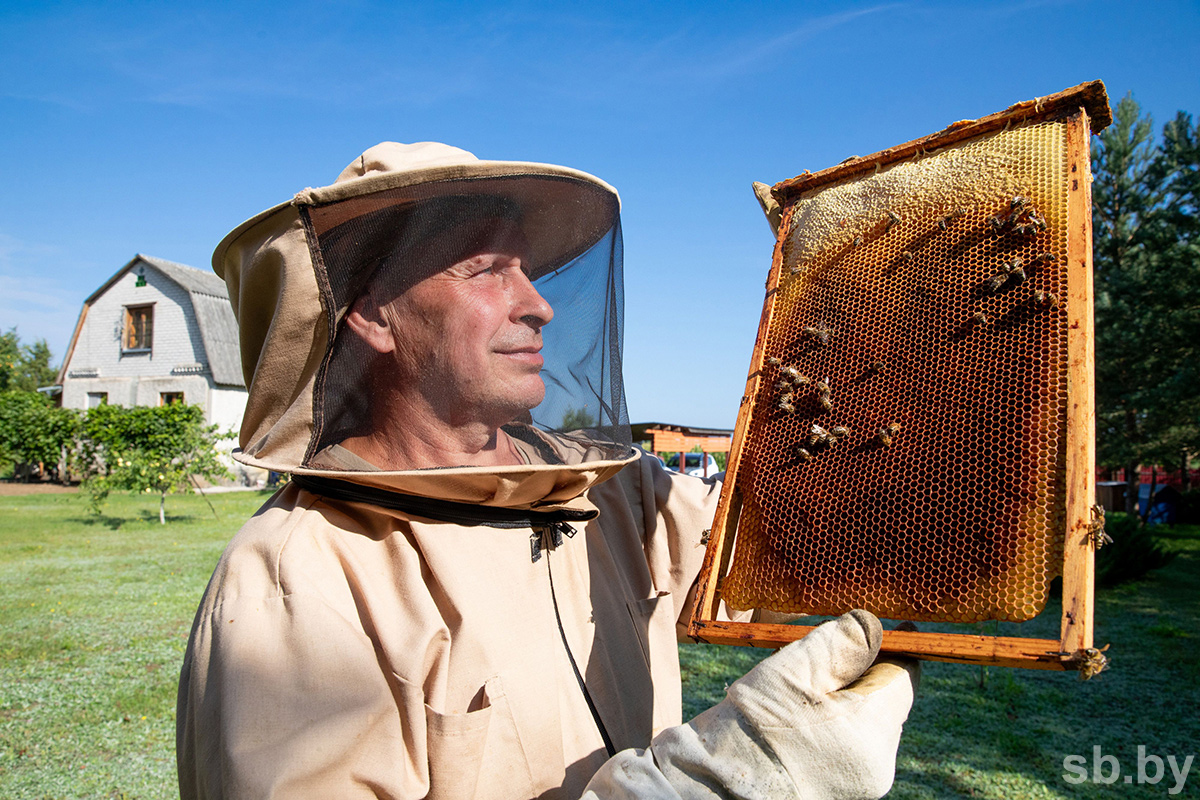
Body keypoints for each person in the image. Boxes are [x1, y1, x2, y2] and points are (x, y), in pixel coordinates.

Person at [177, 142, 919, 799]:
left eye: (528, 272)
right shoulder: (297, 579)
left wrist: (867, 311)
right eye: (487, 270)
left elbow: (798, 549)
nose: (538, 306)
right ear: (375, 316)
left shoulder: (616, 488)